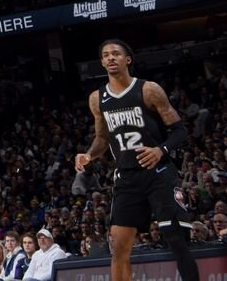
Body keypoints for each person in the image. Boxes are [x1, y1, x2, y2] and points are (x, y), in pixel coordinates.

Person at [73, 40, 197, 281]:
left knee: (175, 240)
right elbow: (101, 138)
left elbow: (180, 131)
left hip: (158, 172)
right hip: (127, 177)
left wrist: (160, 150)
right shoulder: (97, 98)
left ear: (127, 59)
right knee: (119, 247)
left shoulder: (149, 89)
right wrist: (88, 154)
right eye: (106, 55)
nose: (110, 58)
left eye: (116, 54)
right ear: (101, 62)